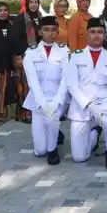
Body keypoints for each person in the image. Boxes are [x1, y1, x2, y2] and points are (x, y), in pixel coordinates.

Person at [66, 17, 107, 169]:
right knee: (79, 158)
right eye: (92, 32)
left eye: (100, 32)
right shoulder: (76, 56)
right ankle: (95, 133)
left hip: (103, 102)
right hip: (81, 105)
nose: (96, 35)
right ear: (86, 34)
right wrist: (89, 105)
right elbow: (72, 85)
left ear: (104, 35)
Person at [23, 16, 70, 164]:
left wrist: (56, 102)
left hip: (58, 98)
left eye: (54, 30)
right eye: (46, 30)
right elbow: (32, 82)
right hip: (38, 100)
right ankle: (56, 135)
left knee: (52, 117)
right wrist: (43, 102)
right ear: (39, 31)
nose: (50, 33)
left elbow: (65, 79)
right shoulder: (30, 53)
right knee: (39, 151)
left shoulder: (64, 51)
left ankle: (53, 150)